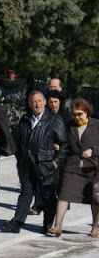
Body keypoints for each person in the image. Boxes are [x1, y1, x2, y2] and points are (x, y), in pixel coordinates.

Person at [3, 91, 68, 234]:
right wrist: (20, 159)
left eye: (40, 101)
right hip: (27, 165)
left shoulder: (55, 120)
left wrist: (56, 162)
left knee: (48, 196)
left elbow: (64, 144)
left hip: (46, 165)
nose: (37, 104)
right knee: (26, 193)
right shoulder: (25, 120)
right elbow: (17, 141)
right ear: (30, 104)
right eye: (34, 101)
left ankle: (48, 224)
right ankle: (17, 222)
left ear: (45, 102)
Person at [48, 98, 99, 237]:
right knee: (64, 194)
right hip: (73, 166)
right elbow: (64, 142)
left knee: (95, 199)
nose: (77, 117)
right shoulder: (68, 126)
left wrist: (93, 151)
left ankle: (95, 228)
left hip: (93, 168)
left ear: (87, 112)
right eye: (75, 114)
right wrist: (58, 146)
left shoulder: (97, 125)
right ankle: (57, 226)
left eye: (80, 114)